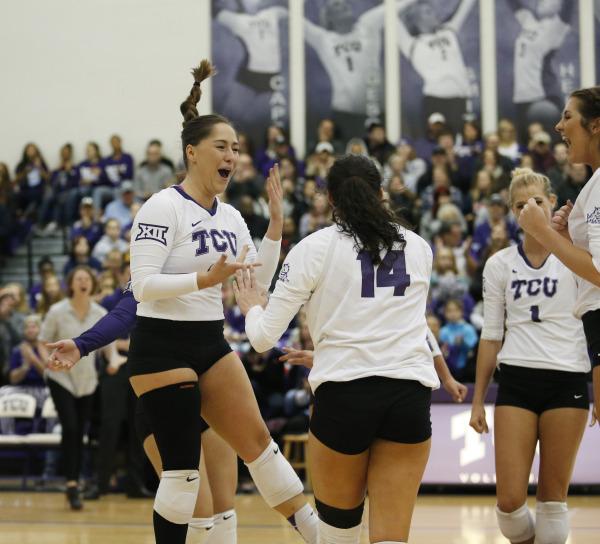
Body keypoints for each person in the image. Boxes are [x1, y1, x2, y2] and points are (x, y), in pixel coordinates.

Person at [100, 60, 316, 543]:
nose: (232, 157)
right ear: (192, 152)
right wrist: (202, 279)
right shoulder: (162, 205)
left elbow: (252, 276)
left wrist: (276, 227)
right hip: (161, 348)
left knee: (261, 447)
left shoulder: (234, 216)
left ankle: (318, 534)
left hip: (209, 342)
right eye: (222, 147)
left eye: (236, 149)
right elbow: (143, 285)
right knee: (183, 475)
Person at [234, 153, 439, 543]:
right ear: (381, 193)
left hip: (345, 395)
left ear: (329, 198)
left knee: (338, 536)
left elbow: (261, 339)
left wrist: (251, 309)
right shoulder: (419, 247)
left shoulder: (314, 247)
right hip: (408, 395)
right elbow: (390, 325)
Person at [470, 168, 590, 544]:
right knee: (508, 505)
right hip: (517, 381)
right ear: (512, 212)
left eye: (538, 200)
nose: (530, 207)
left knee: (553, 502)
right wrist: (477, 400)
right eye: (521, 204)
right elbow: (491, 336)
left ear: (552, 203)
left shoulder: (576, 258)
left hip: (567, 379)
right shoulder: (499, 264)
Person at [518, 86, 600, 424]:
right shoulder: (592, 186)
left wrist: (544, 234)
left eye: (567, 117)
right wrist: (568, 239)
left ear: (595, 125)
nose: (558, 127)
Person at [37, 266, 108, 510]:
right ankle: (71, 484)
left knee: (81, 433)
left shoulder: (100, 312)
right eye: (78, 278)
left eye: (87, 278)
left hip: (88, 380)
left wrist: (116, 361)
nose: (83, 281)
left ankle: (75, 481)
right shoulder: (57, 311)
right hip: (60, 378)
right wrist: (47, 361)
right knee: (70, 426)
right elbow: (42, 342)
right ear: (71, 284)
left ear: (92, 284)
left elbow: (108, 347)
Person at [396, 0, 476, 136]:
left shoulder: (449, 31)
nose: (435, 14)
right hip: (435, 101)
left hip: (460, 100)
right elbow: (389, 16)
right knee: (436, 142)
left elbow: (466, 5)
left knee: (461, 141)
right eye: (428, 12)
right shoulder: (412, 44)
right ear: (416, 19)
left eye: (432, 10)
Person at [508, 0, 574, 143]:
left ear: (558, 6)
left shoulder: (556, 27)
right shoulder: (529, 21)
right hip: (520, 97)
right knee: (525, 145)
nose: (543, 2)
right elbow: (514, 4)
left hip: (540, 96)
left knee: (547, 142)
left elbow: (568, 7)